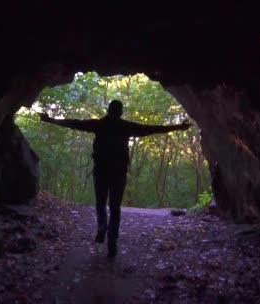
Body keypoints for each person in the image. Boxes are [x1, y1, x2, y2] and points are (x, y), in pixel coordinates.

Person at [38, 100, 192, 257]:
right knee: (115, 207)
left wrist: (49, 119)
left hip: (101, 170)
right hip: (118, 172)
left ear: (108, 110)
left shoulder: (99, 124)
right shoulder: (126, 126)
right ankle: (112, 240)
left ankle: (102, 227)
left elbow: (74, 123)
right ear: (121, 112)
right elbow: (151, 129)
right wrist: (178, 127)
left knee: (100, 203)